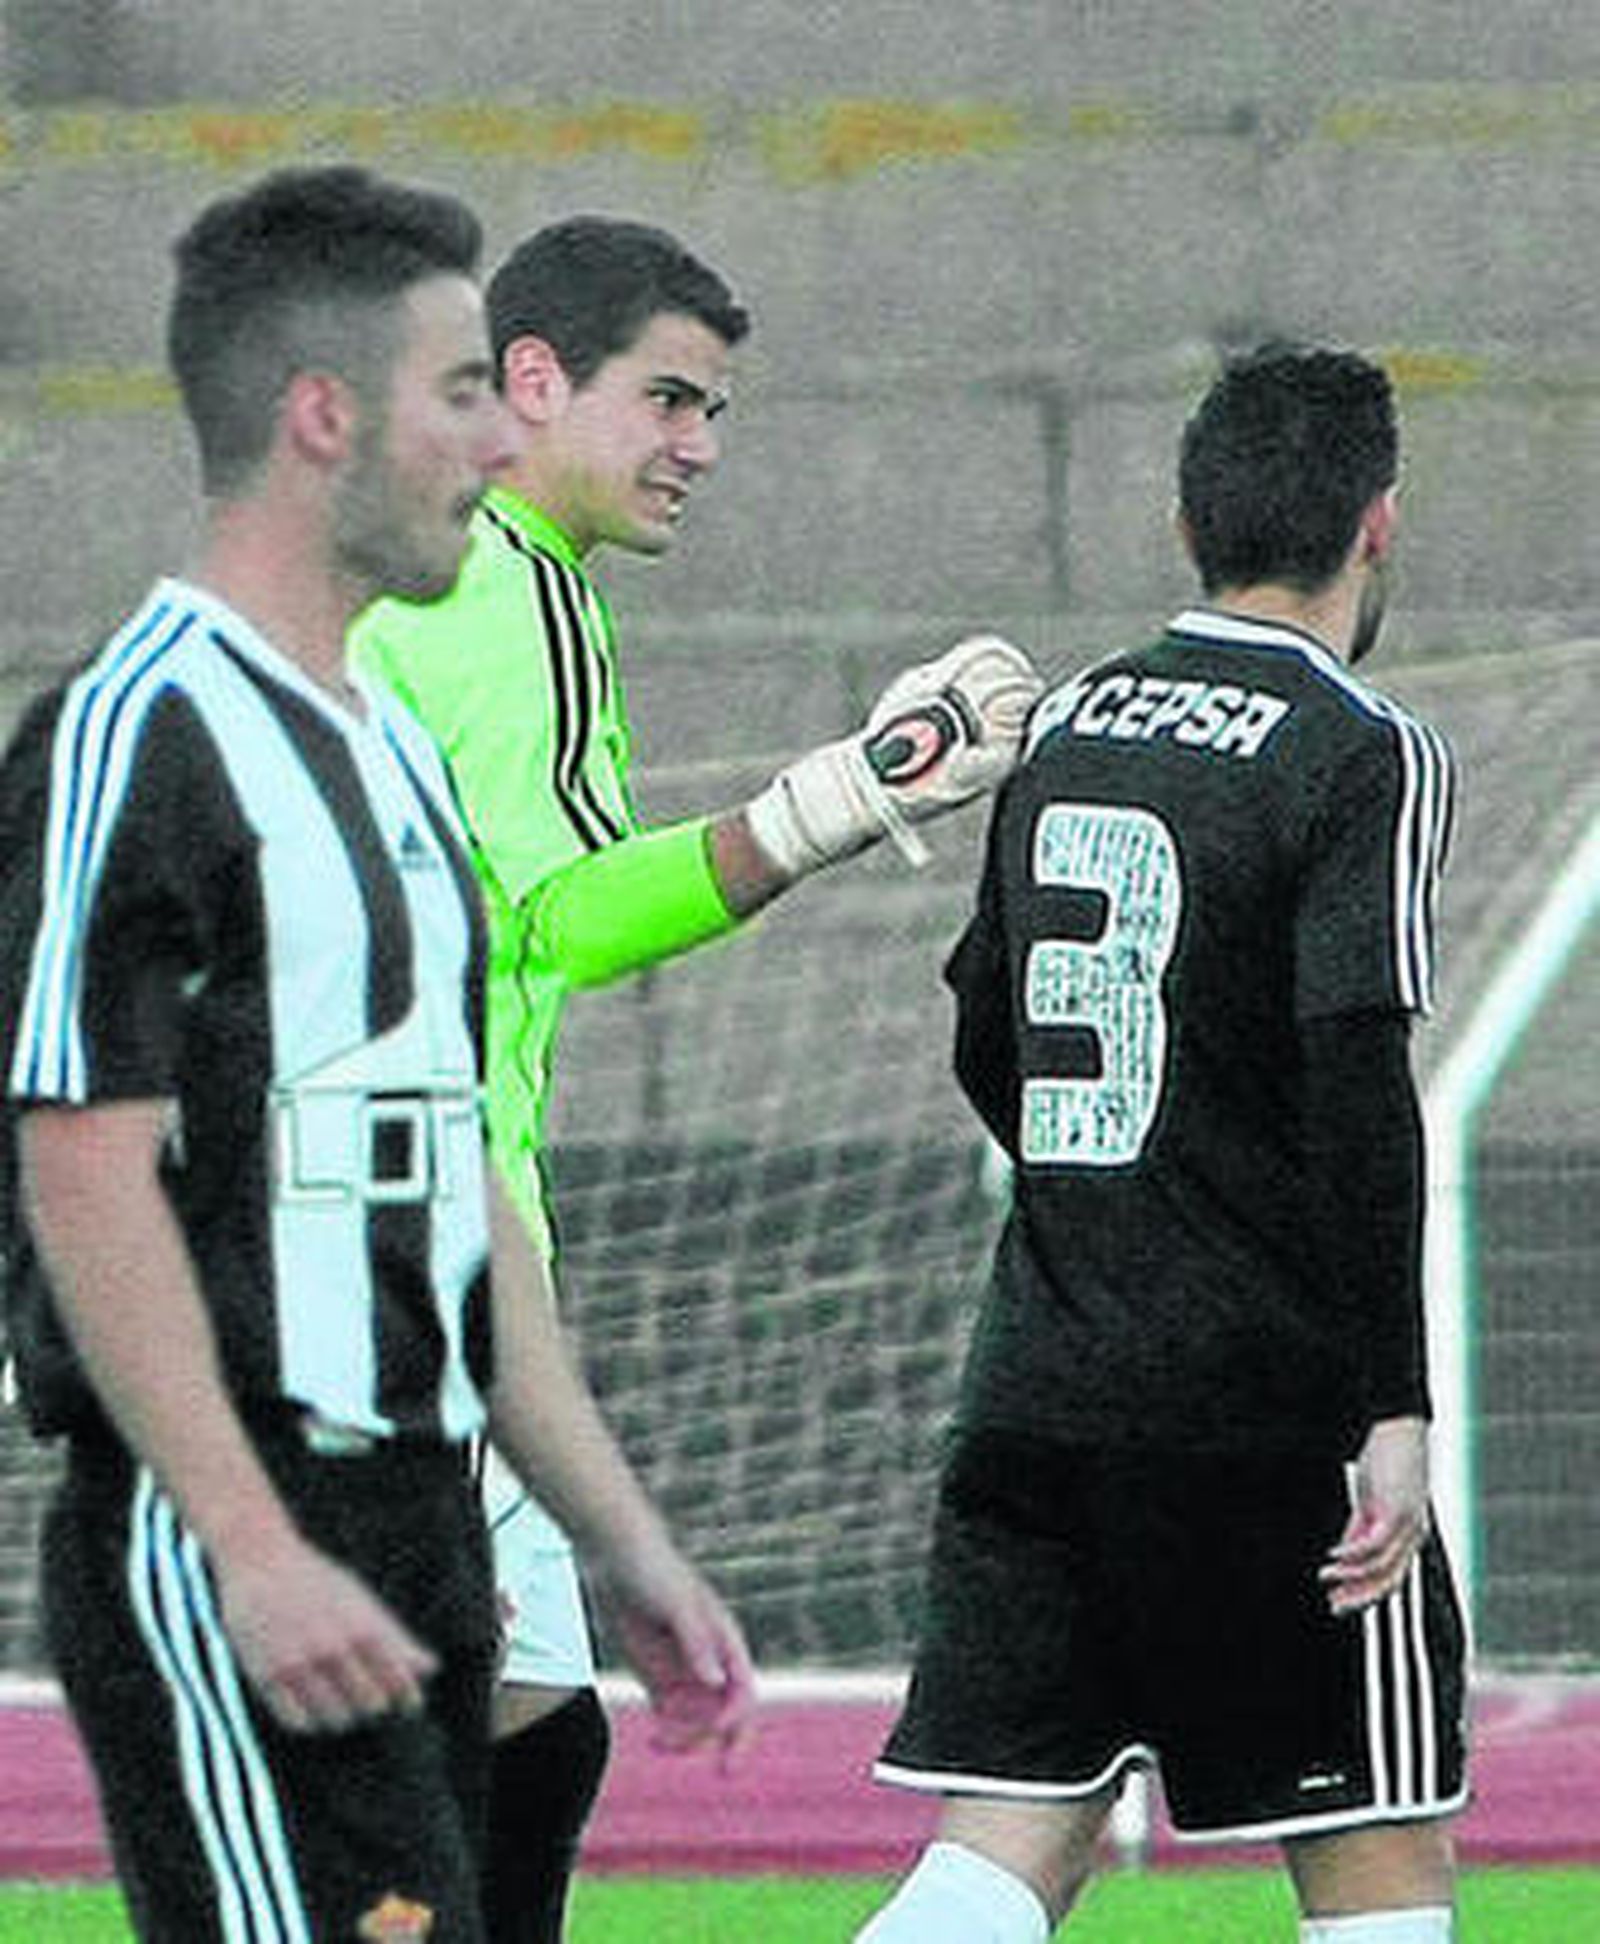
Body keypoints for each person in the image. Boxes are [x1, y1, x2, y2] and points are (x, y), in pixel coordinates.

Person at [0, 166, 757, 1944]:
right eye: (463, 394)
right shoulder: (138, 734)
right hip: (248, 1538)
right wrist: (250, 1546)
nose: (499, 445)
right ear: (324, 419)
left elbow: (454, 1169)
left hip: (427, 1519)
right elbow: (79, 1166)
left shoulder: (391, 753)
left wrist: (617, 1532)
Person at [350, 214, 1044, 1941]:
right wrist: (842, 799)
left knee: (526, 1742)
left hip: (360, 1227)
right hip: (407, 1250)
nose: (697, 448)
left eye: (714, 411)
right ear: (531, 382)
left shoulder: (399, 570)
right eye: (668, 400)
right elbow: (559, 921)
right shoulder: (506, 593)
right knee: (428, 1781)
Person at [854, 343, 1468, 1944]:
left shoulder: (1065, 725)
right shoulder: (1361, 747)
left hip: (1041, 1389)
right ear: (1379, 523)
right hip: (1266, 1418)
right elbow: (1357, 1088)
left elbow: (989, 1033)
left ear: (1185, 519)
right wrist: (1390, 1405)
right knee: (1375, 1864)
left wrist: (1111, 1208)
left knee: (1000, 1861)